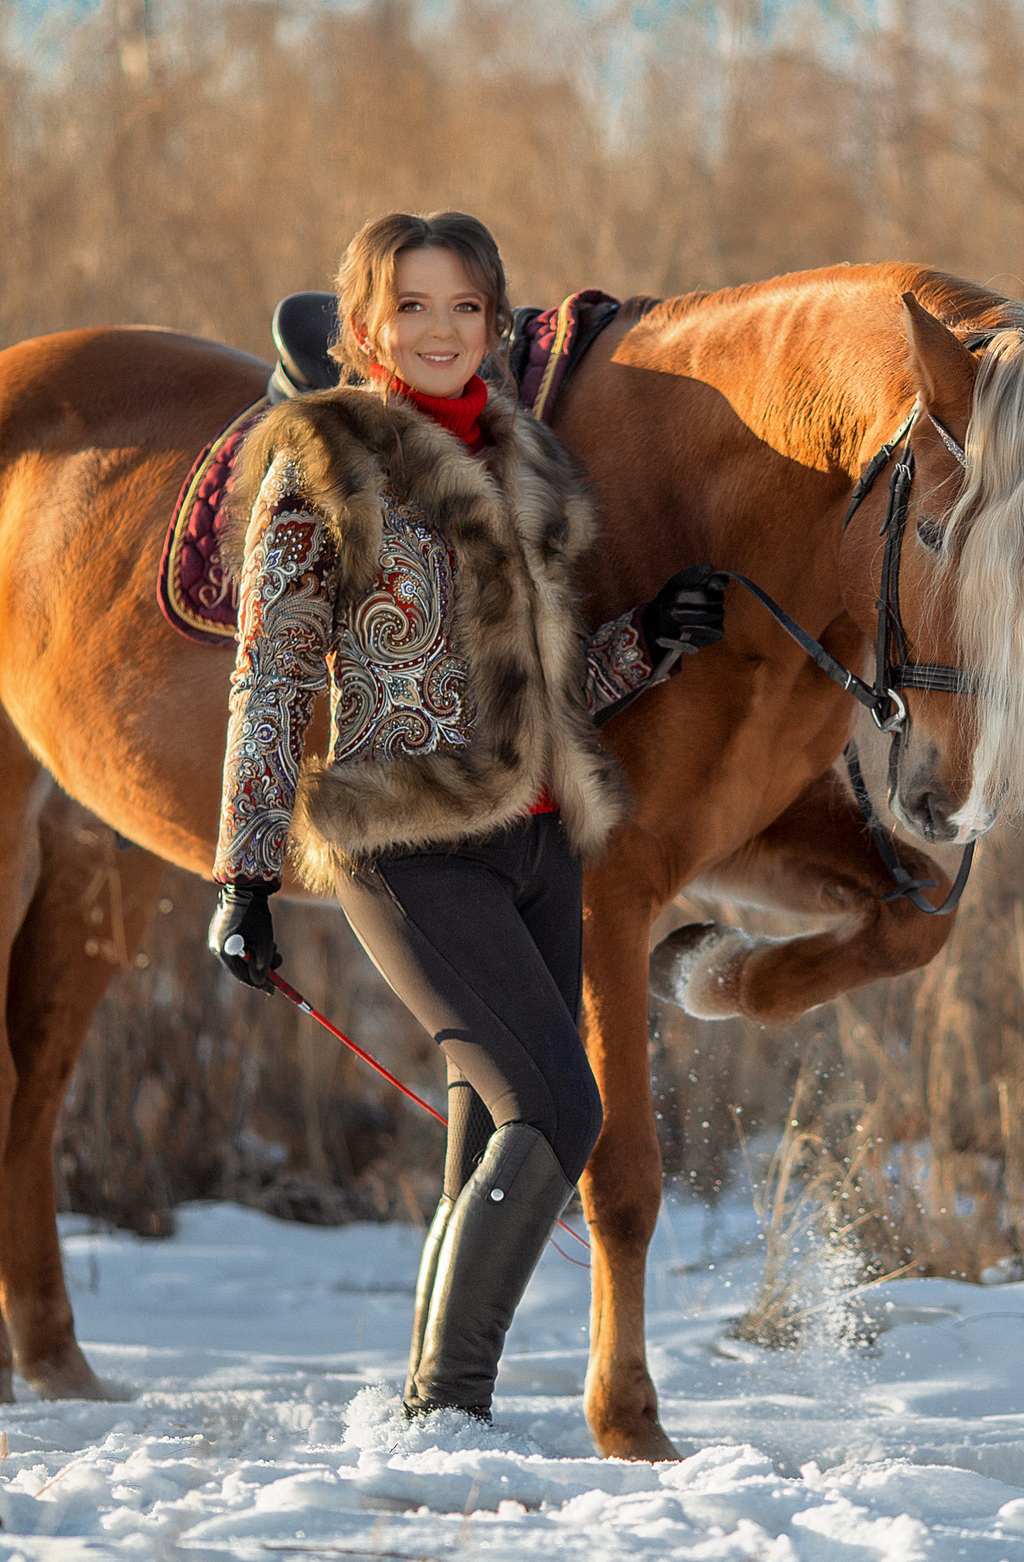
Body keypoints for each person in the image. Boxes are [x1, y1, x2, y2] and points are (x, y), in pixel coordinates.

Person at [204, 210, 725, 1423]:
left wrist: (646, 643)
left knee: (487, 1129)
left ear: (494, 323)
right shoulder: (324, 459)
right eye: (413, 306)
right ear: (366, 324)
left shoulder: (523, 459)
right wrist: (246, 874)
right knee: (564, 1105)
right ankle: (444, 1415)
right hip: (406, 842)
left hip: (539, 843)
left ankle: (443, 1423)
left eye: (465, 308)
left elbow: (535, 686)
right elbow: (272, 669)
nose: (440, 330)